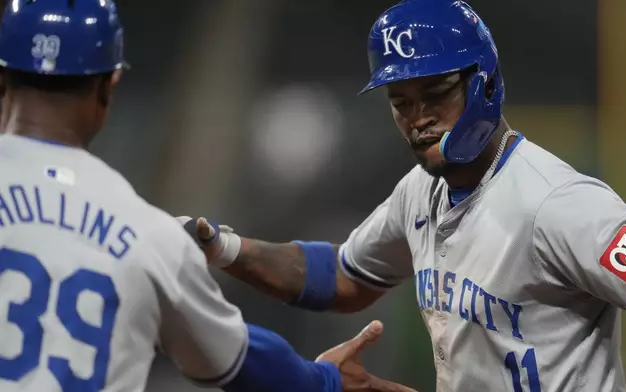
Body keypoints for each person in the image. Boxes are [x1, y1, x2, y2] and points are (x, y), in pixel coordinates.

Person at [183, 0, 626, 391]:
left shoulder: (557, 202)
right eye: (401, 101)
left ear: (483, 82)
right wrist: (221, 248)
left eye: (436, 93)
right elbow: (342, 277)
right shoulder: (421, 192)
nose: (418, 117)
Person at [0, 1, 417, 392]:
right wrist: (323, 380)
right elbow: (238, 355)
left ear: (3, 79)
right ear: (109, 85)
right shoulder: (148, 233)